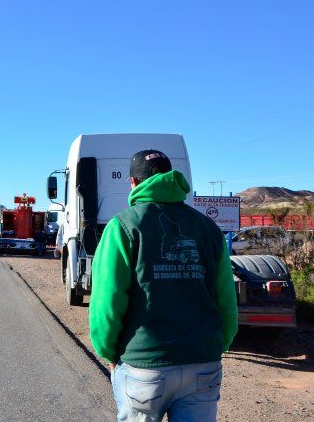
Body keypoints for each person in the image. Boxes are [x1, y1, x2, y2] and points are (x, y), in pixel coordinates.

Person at [89, 149, 238, 422]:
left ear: (134, 182)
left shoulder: (123, 226)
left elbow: (107, 301)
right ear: (171, 177)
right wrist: (219, 343)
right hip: (203, 361)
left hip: (145, 365)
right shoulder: (208, 228)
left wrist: (107, 351)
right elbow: (226, 298)